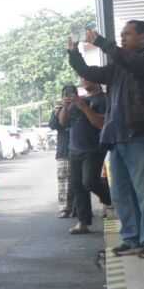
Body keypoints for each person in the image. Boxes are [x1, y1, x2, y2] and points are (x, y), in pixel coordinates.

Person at [68, 22, 144, 258]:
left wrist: (102, 43)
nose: (122, 38)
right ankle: (132, 238)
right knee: (121, 193)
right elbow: (88, 73)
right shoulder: (116, 67)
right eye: (121, 35)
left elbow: (128, 60)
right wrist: (73, 53)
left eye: (127, 34)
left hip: (140, 135)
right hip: (118, 137)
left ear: (143, 38)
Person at [61, 78, 111, 235]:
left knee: (89, 181)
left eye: (87, 77)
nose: (83, 80)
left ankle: (111, 200)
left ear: (96, 79)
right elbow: (63, 122)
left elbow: (100, 124)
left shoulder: (103, 99)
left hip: (94, 148)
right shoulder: (79, 100)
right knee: (78, 186)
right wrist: (66, 106)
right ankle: (83, 222)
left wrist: (83, 107)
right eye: (82, 78)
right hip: (74, 148)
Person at [49, 86, 77, 218]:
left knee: (78, 181)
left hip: (79, 149)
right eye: (66, 95)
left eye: (71, 94)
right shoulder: (58, 110)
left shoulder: (81, 107)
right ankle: (64, 208)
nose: (68, 97)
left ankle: (77, 208)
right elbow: (54, 125)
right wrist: (62, 109)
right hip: (63, 150)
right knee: (63, 181)